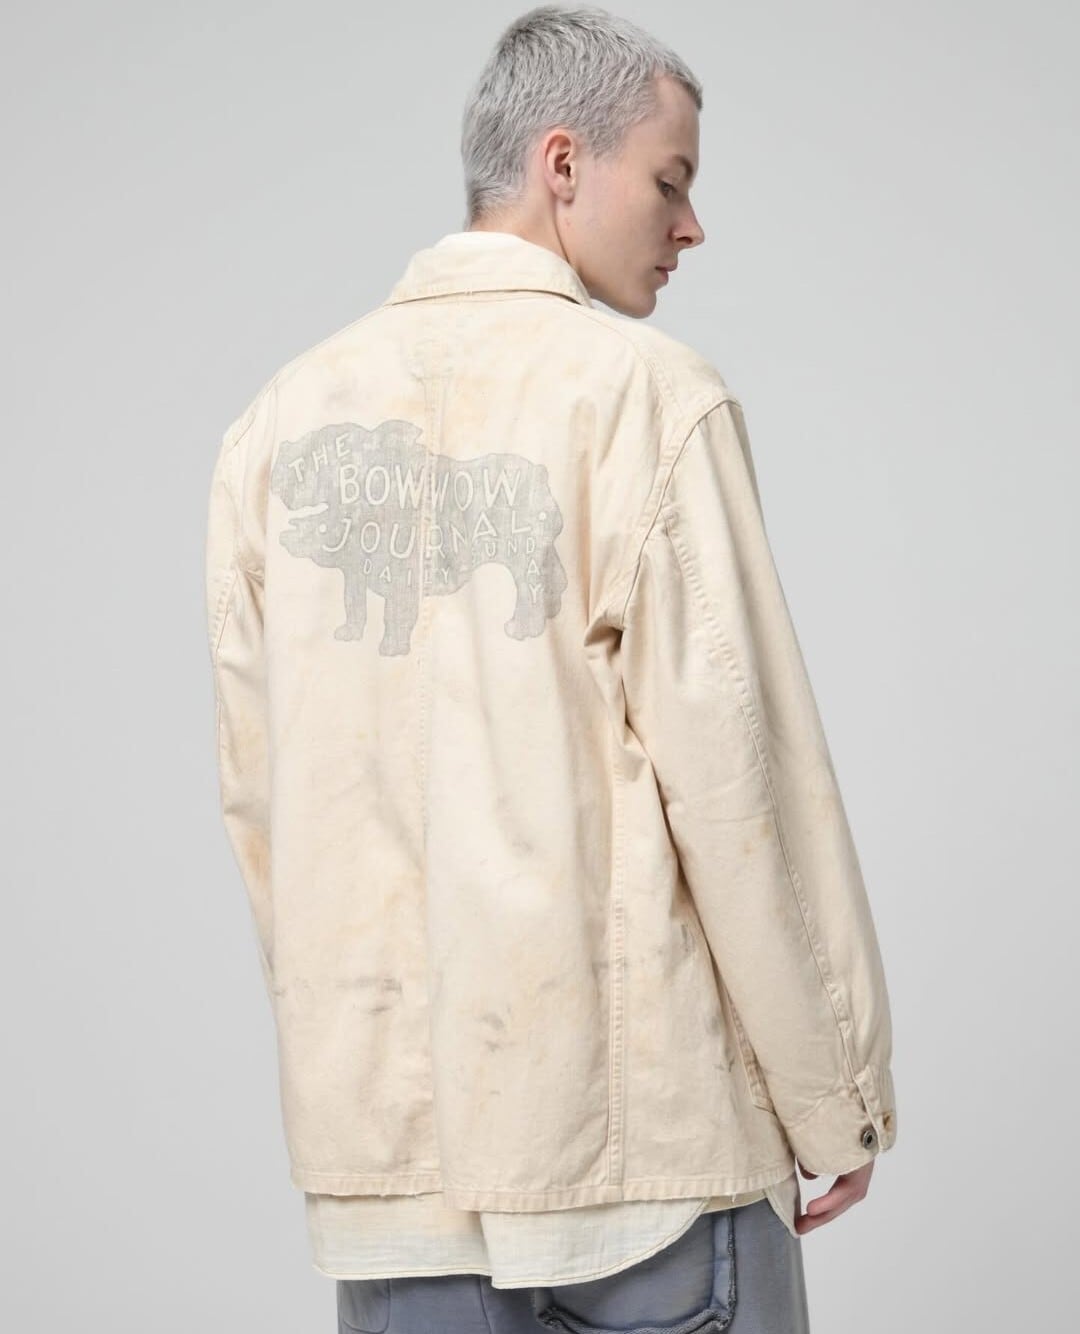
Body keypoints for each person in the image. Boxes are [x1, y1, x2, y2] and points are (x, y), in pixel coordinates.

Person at [204, 6, 897, 1331]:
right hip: (649, 1169)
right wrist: (835, 1093)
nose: (691, 225)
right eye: (672, 181)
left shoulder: (276, 426)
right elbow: (742, 787)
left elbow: (264, 807)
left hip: (394, 1182)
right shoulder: (647, 397)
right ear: (563, 164)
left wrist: (354, 1077)